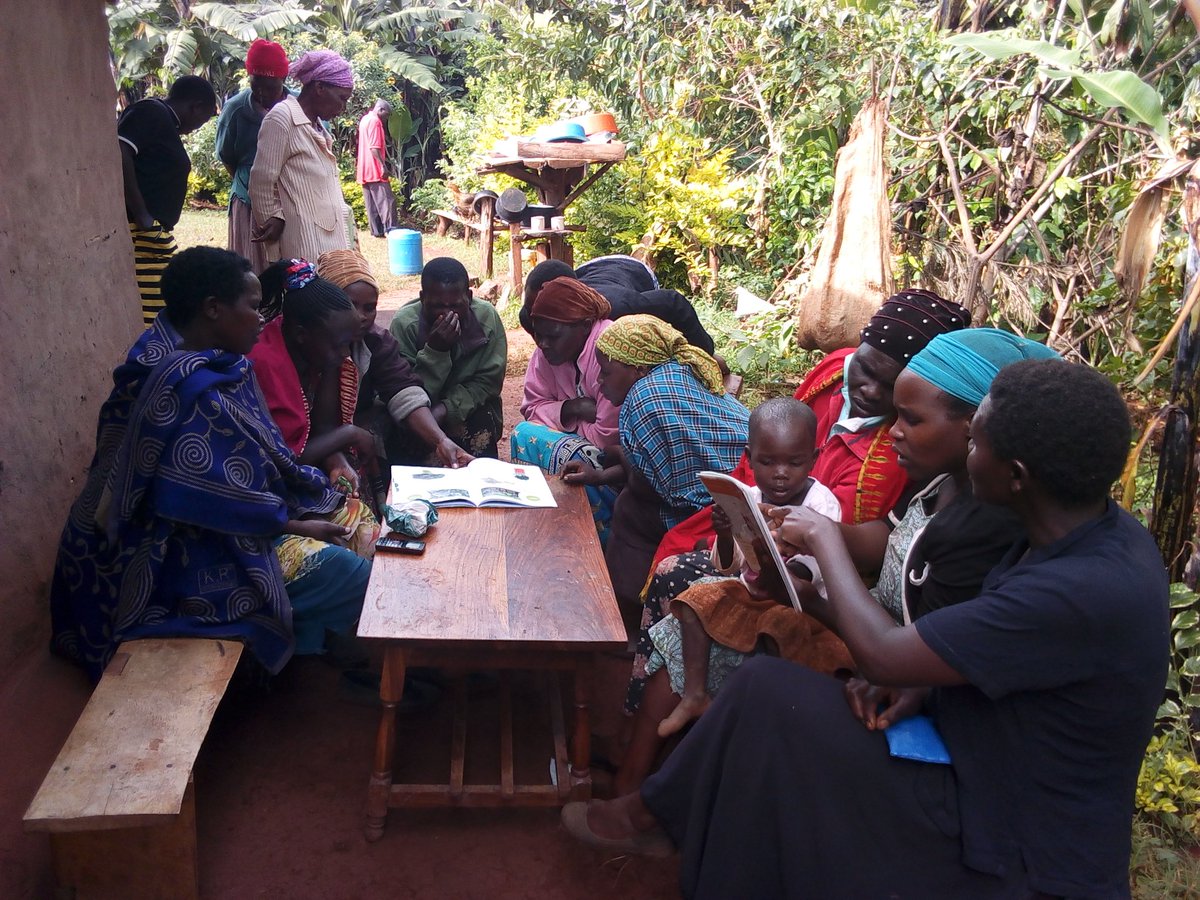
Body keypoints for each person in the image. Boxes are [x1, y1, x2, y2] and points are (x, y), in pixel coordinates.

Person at [564, 358, 1166, 900]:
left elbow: (883, 654)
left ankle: (670, 828)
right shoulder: (1085, 536)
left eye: (976, 442)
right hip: (977, 752)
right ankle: (661, 821)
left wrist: (825, 540)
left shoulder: (1080, 590)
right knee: (765, 693)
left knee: (776, 739)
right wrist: (929, 683)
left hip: (1011, 830)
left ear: (1016, 475)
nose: (967, 452)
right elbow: (1005, 657)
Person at [612, 328, 1047, 794]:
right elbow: (881, 537)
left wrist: (819, 544)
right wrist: (791, 526)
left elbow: (900, 657)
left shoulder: (987, 527)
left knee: (720, 651)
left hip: (884, 670)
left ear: (973, 427)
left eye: (911, 419)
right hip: (867, 637)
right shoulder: (943, 484)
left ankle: (660, 794)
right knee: (687, 620)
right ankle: (640, 782)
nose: (894, 429)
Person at [49, 247, 373, 682]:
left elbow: (264, 460)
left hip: (241, 518)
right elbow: (195, 499)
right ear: (213, 309)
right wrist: (297, 524)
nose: (263, 318)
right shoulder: (170, 381)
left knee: (361, 523)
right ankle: (301, 649)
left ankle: (312, 641)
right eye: (255, 307)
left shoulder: (222, 363)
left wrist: (313, 496)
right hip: (164, 548)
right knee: (349, 572)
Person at [651, 397, 844, 739]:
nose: (781, 474)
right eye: (767, 462)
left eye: (794, 463)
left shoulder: (821, 503)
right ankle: (695, 695)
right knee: (695, 599)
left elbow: (810, 571)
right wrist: (725, 534)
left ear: (813, 460)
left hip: (798, 602)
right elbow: (727, 566)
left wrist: (783, 556)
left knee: (779, 626)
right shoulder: (750, 497)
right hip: (750, 592)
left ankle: (768, 711)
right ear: (750, 458)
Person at [565, 315, 750, 609]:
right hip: (742, 487)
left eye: (606, 372)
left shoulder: (644, 397)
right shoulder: (677, 372)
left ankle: (627, 611)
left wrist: (615, 465)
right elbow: (653, 469)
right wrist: (600, 476)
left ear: (637, 368)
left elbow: (656, 487)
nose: (599, 382)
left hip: (723, 507)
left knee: (631, 508)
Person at [315, 249, 471, 471]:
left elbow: (403, 389)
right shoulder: (302, 342)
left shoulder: (376, 342)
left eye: (369, 308)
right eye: (350, 305)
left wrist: (440, 440)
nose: (361, 316)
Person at [248, 258, 379, 504]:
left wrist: (336, 458)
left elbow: (321, 429)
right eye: (340, 346)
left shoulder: (314, 349)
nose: (345, 355)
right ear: (301, 335)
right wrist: (348, 434)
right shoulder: (266, 364)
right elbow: (282, 459)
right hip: (264, 491)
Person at [510, 277, 621, 539]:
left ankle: (593, 538)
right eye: (538, 334)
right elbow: (532, 407)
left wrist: (557, 418)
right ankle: (551, 526)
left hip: (616, 468)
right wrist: (574, 409)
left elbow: (606, 439)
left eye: (552, 336)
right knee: (525, 432)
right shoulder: (548, 351)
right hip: (589, 442)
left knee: (562, 452)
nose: (542, 344)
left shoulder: (609, 350)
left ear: (585, 326)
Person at [118, 75, 218, 325]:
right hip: (142, 232)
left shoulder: (164, 121)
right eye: (203, 118)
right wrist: (142, 214)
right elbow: (121, 150)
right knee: (154, 315)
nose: (198, 125)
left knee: (161, 309)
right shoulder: (150, 112)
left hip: (153, 233)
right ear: (195, 106)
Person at [389, 257, 507, 458]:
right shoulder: (405, 324)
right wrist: (436, 351)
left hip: (469, 409)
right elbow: (403, 389)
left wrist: (444, 410)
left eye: (455, 305)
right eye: (436, 306)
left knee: (481, 421)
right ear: (422, 298)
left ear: (468, 298)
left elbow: (488, 383)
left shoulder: (486, 319)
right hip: (419, 408)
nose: (446, 314)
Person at [249, 49, 356, 265]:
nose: (343, 108)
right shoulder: (282, 117)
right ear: (320, 88)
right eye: (342, 99)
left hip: (330, 239)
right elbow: (261, 180)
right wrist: (273, 217)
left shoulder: (317, 126)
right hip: (304, 242)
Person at [520, 257, 716, 355]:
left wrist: (705, 355)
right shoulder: (528, 316)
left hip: (631, 269)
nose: (536, 315)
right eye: (532, 311)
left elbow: (673, 302)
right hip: (587, 271)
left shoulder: (617, 310)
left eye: (548, 311)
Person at [216, 38, 291, 273]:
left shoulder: (297, 105)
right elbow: (227, 156)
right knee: (252, 272)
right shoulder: (236, 110)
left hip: (291, 199)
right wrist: (256, 189)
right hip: (248, 202)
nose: (261, 93)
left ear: (284, 81)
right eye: (255, 84)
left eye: (270, 87)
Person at [356, 99, 399, 238]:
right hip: (374, 168)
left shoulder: (365, 119)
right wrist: (383, 166)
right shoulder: (375, 122)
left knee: (372, 203)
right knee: (387, 200)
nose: (387, 118)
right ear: (380, 110)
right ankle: (391, 230)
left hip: (364, 167)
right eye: (387, 114)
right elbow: (374, 147)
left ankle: (377, 231)